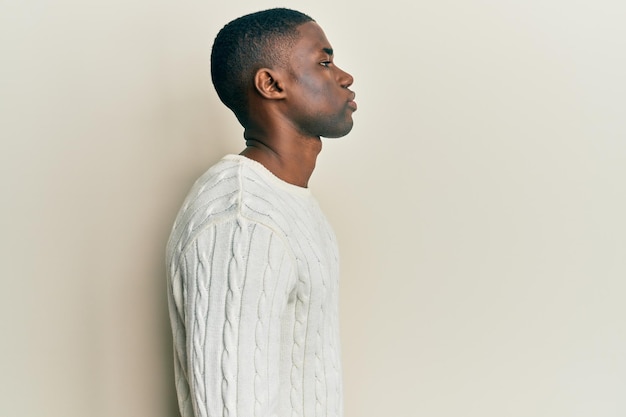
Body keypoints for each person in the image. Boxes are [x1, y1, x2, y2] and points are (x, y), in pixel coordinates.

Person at [166, 8, 356, 417]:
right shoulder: (241, 218)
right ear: (270, 84)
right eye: (324, 62)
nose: (344, 77)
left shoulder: (287, 201)